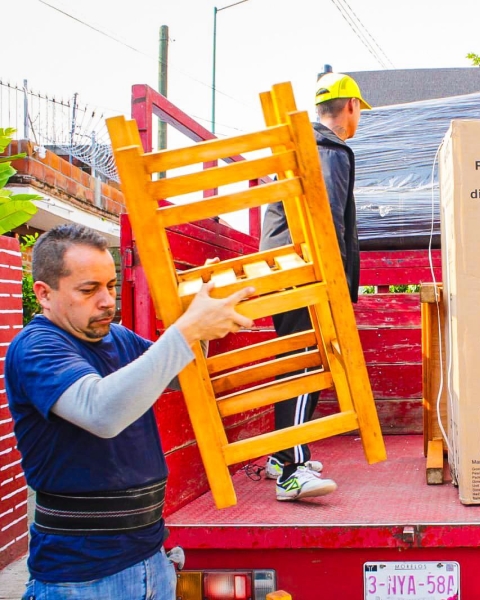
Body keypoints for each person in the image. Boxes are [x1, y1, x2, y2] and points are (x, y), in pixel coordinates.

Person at [6, 224, 255, 599]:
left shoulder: (115, 337)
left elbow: (179, 375)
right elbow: (101, 412)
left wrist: (195, 325)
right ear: (44, 293)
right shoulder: (37, 347)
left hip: (151, 557)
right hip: (81, 579)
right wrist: (185, 332)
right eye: (89, 290)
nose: (107, 300)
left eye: (110, 285)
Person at [260, 72, 371, 501]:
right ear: (352, 107)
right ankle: (292, 468)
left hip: (285, 269)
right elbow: (324, 223)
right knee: (309, 363)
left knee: (296, 361)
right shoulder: (328, 148)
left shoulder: (298, 143)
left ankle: (279, 455)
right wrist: (336, 289)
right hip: (307, 272)